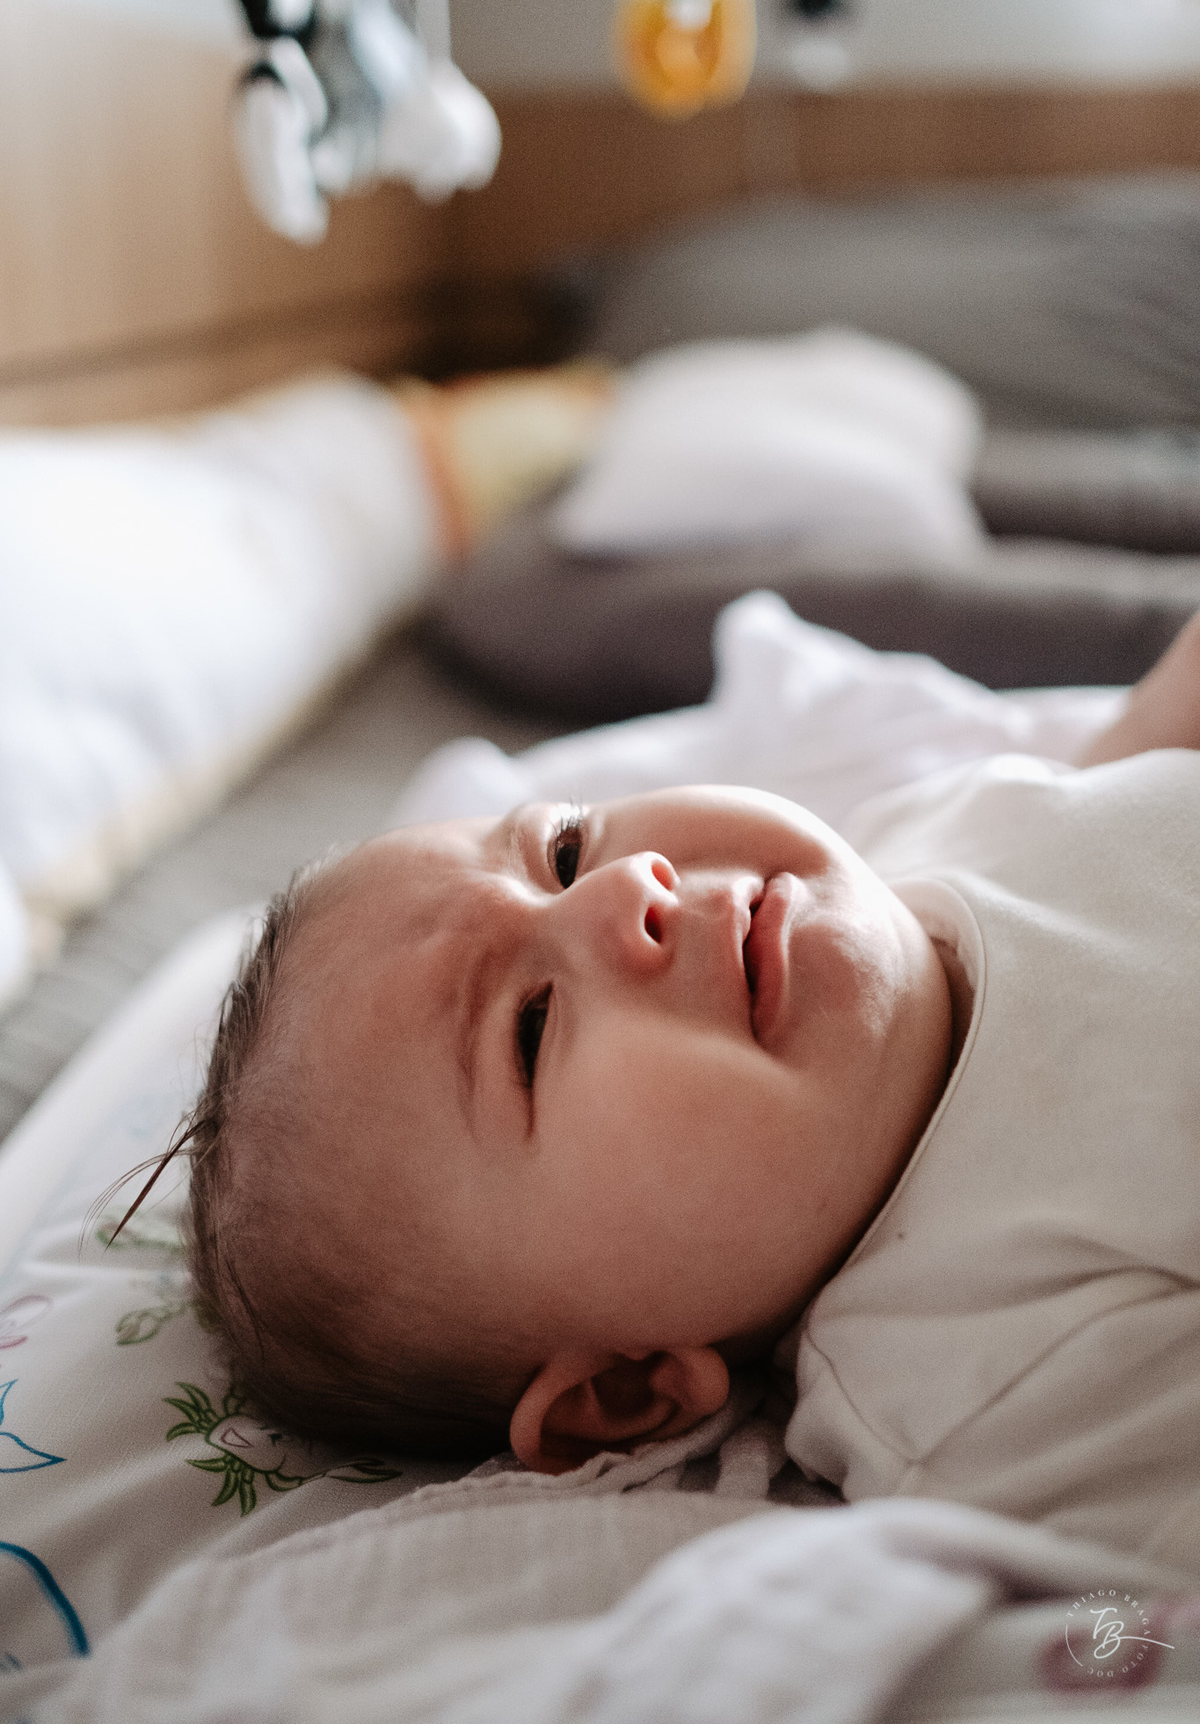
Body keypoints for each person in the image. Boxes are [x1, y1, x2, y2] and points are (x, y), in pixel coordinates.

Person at [147, 608, 1200, 1569]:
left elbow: (1134, 761)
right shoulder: (978, 1380)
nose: (628, 888)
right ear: (623, 1390)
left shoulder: (931, 835)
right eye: (531, 1028)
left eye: (564, 850)